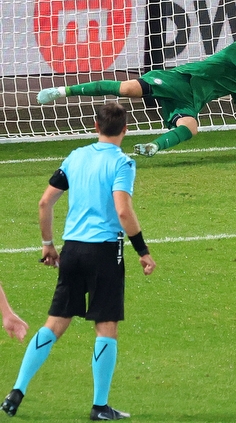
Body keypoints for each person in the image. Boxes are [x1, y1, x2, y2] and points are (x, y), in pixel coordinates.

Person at [0, 102, 157, 421]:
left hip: (72, 250)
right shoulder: (123, 163)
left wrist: (48, 244)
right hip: (104, 252)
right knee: (106, 326)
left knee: (55, 323)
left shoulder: (76, 156)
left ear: (95, 127)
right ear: (125, 129)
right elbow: (123, 211)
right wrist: (142, 251)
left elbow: (45, 202)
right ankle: (100, 406)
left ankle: (17, 391)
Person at [35, 21, 236, 157]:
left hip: (190, 100)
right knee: (129, 88)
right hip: (179, 81)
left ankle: (153, 146)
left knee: (190, 126)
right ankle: (62, 91)